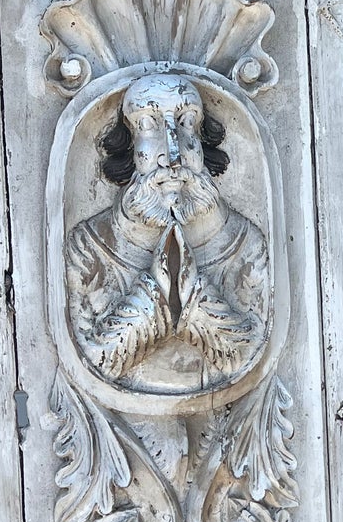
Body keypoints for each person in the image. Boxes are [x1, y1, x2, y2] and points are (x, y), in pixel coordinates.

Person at [65, 72, 269, 393]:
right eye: (148, 125)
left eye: (187, 122)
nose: (173, 155)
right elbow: (95, 354)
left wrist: (193, 301)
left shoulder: (246, 242)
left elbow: (249, 350)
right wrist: (156, 297)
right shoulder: (88, 247)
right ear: (128, 146)